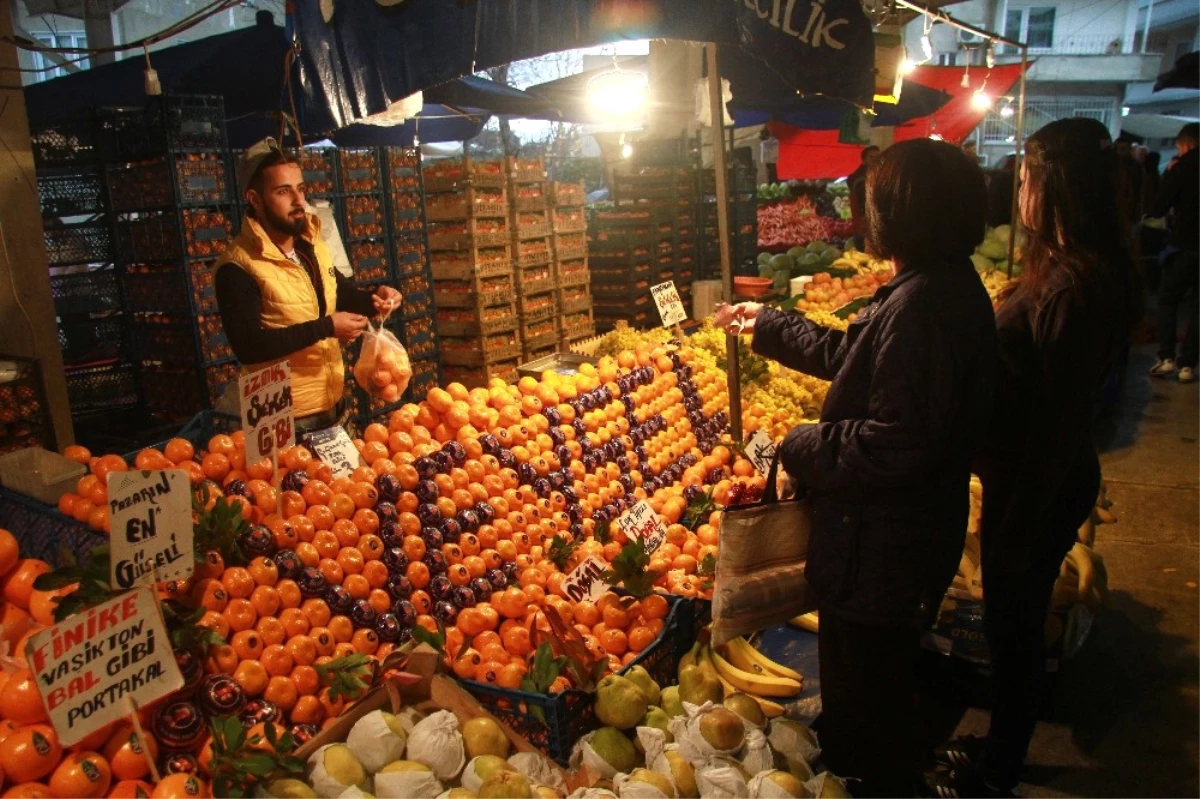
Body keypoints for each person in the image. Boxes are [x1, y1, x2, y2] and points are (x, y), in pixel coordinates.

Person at [714, 139, 998, 799]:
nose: (859, 208)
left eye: (870, 197)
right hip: (900, 544)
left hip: (882, 553)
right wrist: (771, 324)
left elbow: (894, 443)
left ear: (902, 210)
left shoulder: (924, 304)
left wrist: (801, 441)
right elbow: (857, 356)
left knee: (863, 722)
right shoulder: (936, 288)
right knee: (878, 700)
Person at [928, 118, 1142, 799]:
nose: (1017, 191)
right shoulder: (1069, 266)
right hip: (1031, 477)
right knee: (1012, 626)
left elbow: (1057, 416)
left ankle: (999, 767)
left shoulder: (1075, 288)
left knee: (1014, 632)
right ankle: (1002, 749)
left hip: (1037, 483)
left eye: (1026, 179)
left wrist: (1020, 518)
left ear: (1057, 189)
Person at [215, 138, 402, 432]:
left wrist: (374, 299)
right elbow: (249, 346)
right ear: (255, 199)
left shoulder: (310, 245)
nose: (298, 201)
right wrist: (327, 327)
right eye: (283, 192)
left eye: (300, 189)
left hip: (331, 403)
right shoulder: (237, 266)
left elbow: (336, 293)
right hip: (280, 417)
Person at [1148, 123, 1200, 382]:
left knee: (1168, 299)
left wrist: (1168, 177)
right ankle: (1188, 364)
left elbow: (1158, 207)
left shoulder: (1182, 168)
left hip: (1184, 245)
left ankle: (1166, 357)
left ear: (1186, 145)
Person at [987, 155, 1017, 228]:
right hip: (1001, 215)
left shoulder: (999, 175)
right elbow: (1008, 199)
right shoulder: (1008, 178)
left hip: (993, 213)